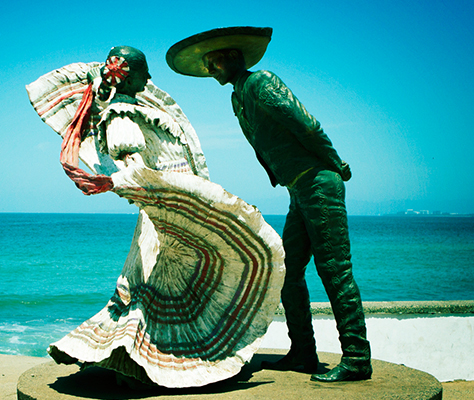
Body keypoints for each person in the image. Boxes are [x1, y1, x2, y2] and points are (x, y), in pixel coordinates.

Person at [26, 45, 286, 388]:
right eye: (143, 72)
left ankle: (134, 366)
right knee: (153, 286)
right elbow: (131, 162)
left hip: (170, 205)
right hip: (162, 211)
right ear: (127, 75)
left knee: (152, 287)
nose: (149, 78)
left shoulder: (137, 108)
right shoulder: (120, 113)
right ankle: (143, 367)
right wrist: (144, 189)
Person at [166, 27, 372, 382]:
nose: (210, 68)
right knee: (288, 273)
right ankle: (304, 353)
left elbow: (305, 124)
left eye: (214, 60)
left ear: (233, 58)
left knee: (335, 270)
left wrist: (336, 163)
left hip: (318, 180)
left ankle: (356, 357)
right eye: (206, 63)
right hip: (298, 188)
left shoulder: (261, 82)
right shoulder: (237, 97)